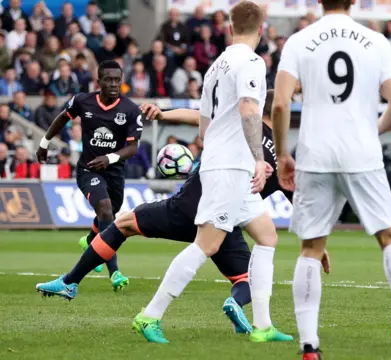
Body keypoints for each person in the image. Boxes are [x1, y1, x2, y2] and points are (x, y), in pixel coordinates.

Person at [35, 89, 311, 334]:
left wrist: (163, 115)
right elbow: (297, 198)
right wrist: (315, 245)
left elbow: (197, 117)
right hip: (225, 221)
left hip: (189, 208)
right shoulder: (283, 161)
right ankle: (235, 302)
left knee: (124, 224)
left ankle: (72, 282)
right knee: (247, 278)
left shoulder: (237, 128)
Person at [271, 0, 391, 358]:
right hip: (361, 153)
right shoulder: (375, 41)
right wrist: (369, 131)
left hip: (314, 154)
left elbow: (281, 104)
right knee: (390, 236)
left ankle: (309, 347)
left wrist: (283, 154)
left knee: (311, 249)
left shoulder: (299, 41)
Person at [132, 1, 290, 344]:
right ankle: (150, 315)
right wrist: (258, 158)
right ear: (261, 30)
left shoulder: (216, 66)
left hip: (227, 163)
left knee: (267, 236)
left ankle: (263, 326)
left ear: (229, 28)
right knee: (207, 243)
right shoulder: (251, 62)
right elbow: (250, 110)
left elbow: (205, 127)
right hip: (232, 166)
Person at [36, 60, 141, 291]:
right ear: (99, 82)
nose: (114, 84)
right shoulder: (83, 101)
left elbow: (133, 148)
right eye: (109, 80)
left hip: (114, 171)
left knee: (109, 214)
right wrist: (44, 143)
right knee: (104, 208)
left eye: (117, 80)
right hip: (88, 169)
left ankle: (90, 240)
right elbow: (63, 117)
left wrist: (110, 158)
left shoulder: (131, 109)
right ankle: (115, 272)